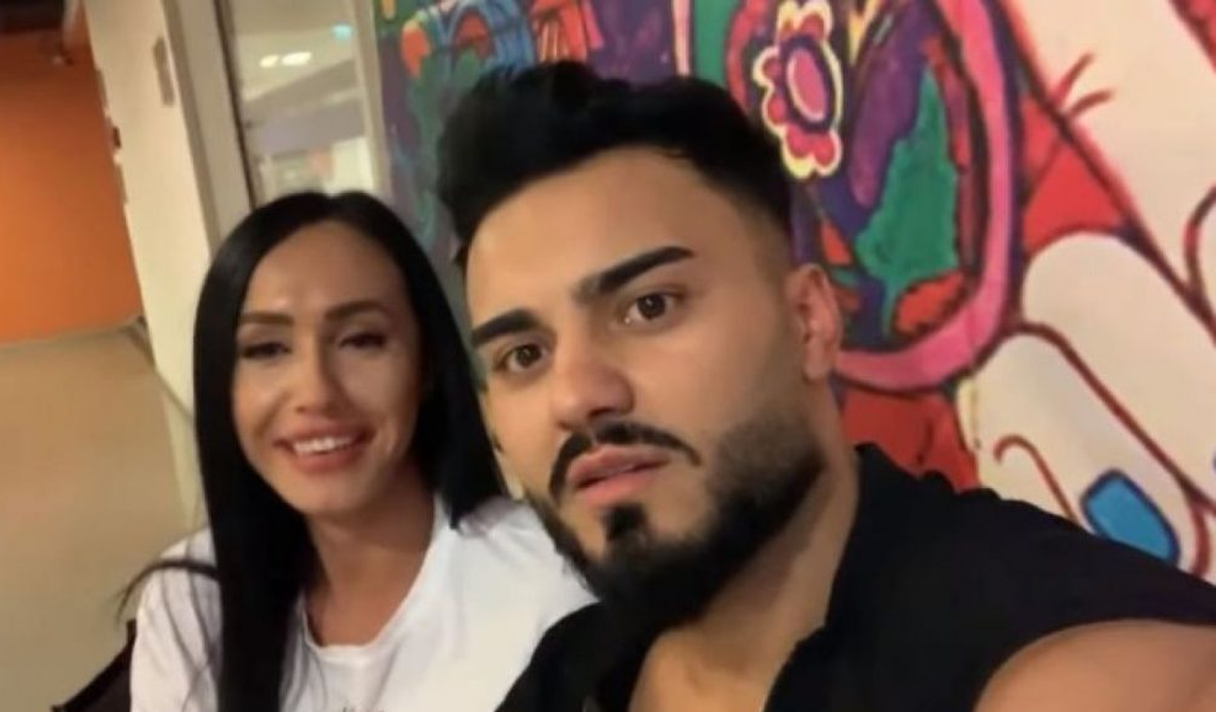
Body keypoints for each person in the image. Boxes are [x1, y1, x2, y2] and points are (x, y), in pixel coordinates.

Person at [435, 61, 1216, 712]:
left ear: (809, 321)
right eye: (524, 355)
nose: (576, 395)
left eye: (649, 307)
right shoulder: (572, 671)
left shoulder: (1071, 659)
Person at [128, 192, 590, 712]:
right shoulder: (192, 602)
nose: (316, 392)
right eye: (267, 349)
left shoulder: (550, 587)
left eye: (361, 340)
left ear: (426, 364)